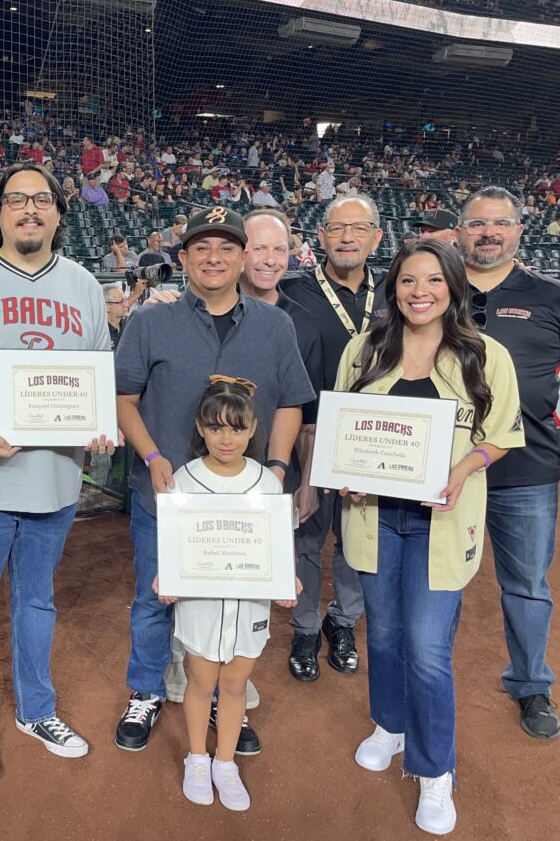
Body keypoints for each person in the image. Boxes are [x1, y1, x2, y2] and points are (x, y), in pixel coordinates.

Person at [336, 239, 524, 835]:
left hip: (439, 523)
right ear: (394, 289)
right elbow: (345, 429)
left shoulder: (483, 355)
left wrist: (463, 469)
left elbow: (500, 434)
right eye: (408, 282)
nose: (420, 292)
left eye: (433, 281)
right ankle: (390, 726)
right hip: (376, 519)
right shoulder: (364, 350)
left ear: (452, 288)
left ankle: (435, 769)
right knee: (385, 636)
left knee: (427, 649)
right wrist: (347, 478)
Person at [0, 162, 114, 783]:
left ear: (59, 214)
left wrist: (97, 428)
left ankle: (37, 711)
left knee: (37, 602)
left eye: (42, 200)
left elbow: (96, 379)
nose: (30, 210)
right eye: (17, 200)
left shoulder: (85, 285)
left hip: (56, 479)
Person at [112, 205, 314, 756]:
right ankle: (147, 690)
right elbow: (123, 399)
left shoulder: (276, 325)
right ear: (183, 258)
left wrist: (276, 469)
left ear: (244, 257)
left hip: (245, 500)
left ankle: (230, 699)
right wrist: (152, 454)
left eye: (227, 247)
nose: (214, 257)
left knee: (237, 600)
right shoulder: (151, 320)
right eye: (202, 247)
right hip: (167, 494)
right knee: (155, 597)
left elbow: (293, 402)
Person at [457, 187, 560, 741]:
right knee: (439, 582)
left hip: (529, 469)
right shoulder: (430, 289)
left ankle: (532, 684)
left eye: (500, 223)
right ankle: (429, 674)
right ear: (459, 232)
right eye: (476, 223)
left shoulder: (556, 297)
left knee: (528, 585)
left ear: (519, 230)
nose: (488, 232)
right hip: (447, 469)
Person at [155, 379, 299, 811]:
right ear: (200, 429)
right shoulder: (184, 478)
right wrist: (168, 576)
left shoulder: (266, 483)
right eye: (216, 428)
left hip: (250, 602)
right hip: (200, 601)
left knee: (235, 683)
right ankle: (197, 758)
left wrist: (286, 578)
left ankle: (226, 761)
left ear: (254, 429)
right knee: (200, 681)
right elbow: (175, 541)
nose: (226, 439)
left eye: (236, 429)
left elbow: (277, 544)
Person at [282, 193, 388, 682]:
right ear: (320, 236)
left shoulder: (395, 293)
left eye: (359, 229)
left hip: (372, 442)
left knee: (357, 540)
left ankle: (342, 621)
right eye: (337, 228)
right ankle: (305, 627)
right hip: (305, 435)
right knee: (305, 535)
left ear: (377, 238)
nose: (348, 237)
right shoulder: (292, 290)